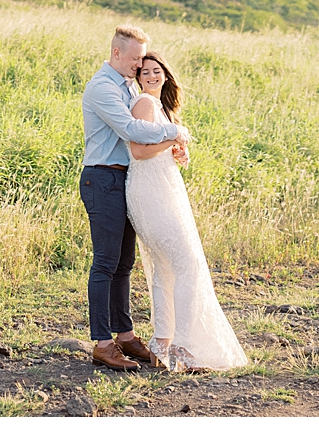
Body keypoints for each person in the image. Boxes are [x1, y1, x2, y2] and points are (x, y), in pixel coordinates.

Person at [126, 51, 248, 371]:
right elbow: (138, 151)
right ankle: (182, 346)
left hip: (164, 189)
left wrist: (175, 152)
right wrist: (172, 139)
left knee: (167, 268)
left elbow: (156, 149)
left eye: (157, 71)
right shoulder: (144, 104)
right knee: (187, 263)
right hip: (149, 192)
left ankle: (161, 344)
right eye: (146, 72)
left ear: (166, 75)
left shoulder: (161, 108)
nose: (152, 76)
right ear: (138, 78)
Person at [79, 25, 191, 371]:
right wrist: (175, 131)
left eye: (143, 57)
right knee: (105, 262)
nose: (139, 64)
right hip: (102, 177)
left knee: (124, 264)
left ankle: (125, 335)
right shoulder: (102, 88)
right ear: (116, 53)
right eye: (135, 58)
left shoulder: (128, 85)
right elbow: (130, 131)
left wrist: (168, 147)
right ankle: (102, 343)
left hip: (126, 179)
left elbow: (143, 139)